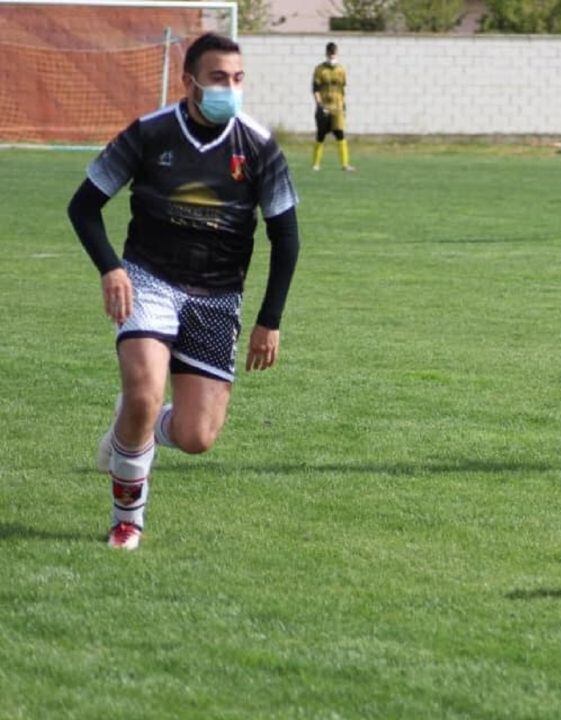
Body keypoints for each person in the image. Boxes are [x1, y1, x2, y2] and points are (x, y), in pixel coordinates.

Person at [67, 32, 301, 549]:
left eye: (238, 79)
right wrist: (112, 268)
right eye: (219, 78)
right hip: (149, 280)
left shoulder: (258, 145)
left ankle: (131, 424)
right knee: (145, 391)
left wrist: (270, 319)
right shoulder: (150, 133)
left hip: (218, 297)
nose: (230, 89)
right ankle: (127, 520)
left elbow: (286, 236)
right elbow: (83, 206)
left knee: (197, 438)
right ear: (189, 81)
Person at [311, 41, 355, 172]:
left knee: (340, 133)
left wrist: (343, 105)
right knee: (321, 134)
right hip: (324, 106)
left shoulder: (341, 70)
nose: (332, 56)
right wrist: (319, 105)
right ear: (326, 53)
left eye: (333, 53)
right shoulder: (320, 69)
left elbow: (342, 89)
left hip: (338, 107)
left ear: (337, 53)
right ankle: (315, 164)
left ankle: (345, 164)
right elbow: (315, 88)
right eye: (330, 53)